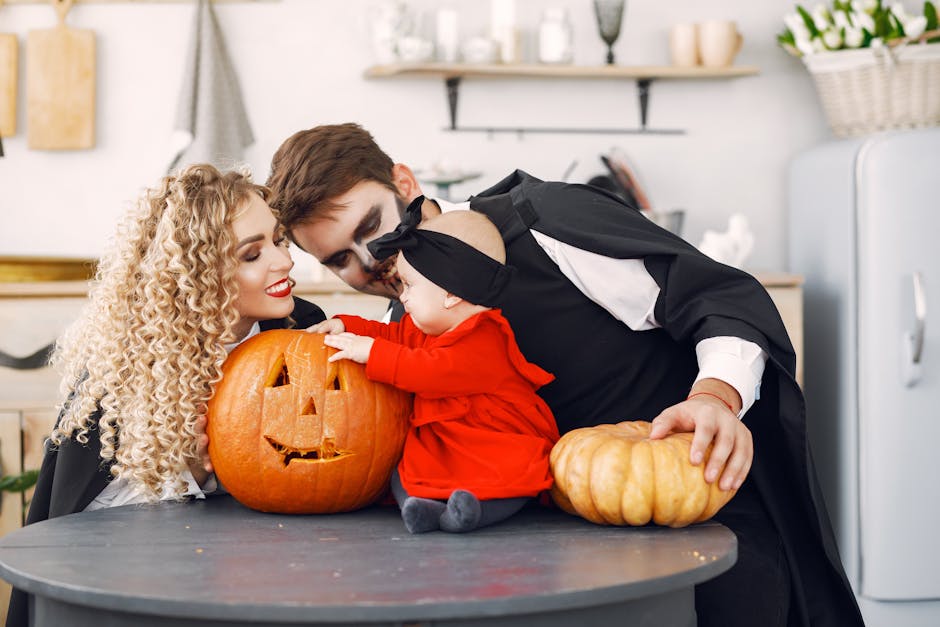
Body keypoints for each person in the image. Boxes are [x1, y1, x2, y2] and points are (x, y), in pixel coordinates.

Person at [266, 123, 865, 627]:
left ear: (405, 183)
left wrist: (714, 395)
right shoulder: (408, 317)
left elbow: (717, 298)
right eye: (339, 258)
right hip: (549, 561)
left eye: (369, 228)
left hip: (694, 520)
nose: (370, 261)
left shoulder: (546, 222)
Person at [6, 163, 326, 627]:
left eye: (278, 240)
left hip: (274, 567)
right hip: (159, 586)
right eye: (251, 255)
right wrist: (192, 475)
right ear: (197, 276)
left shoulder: (300, 323)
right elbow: (91, 525)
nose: (284, 261)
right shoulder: (129, 363)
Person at [309, 209, 559, 534]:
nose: (403, 296)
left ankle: (473, 512)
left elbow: (431, 371)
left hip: (491, 440)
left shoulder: (485, 338)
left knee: (508, 480)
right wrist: (348, 325)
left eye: (410, 286)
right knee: (404, 472)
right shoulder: (427, 329)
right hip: (444, 441)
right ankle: (419, 507)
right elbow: (393, 336)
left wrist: (372, 353)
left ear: (451, 294)